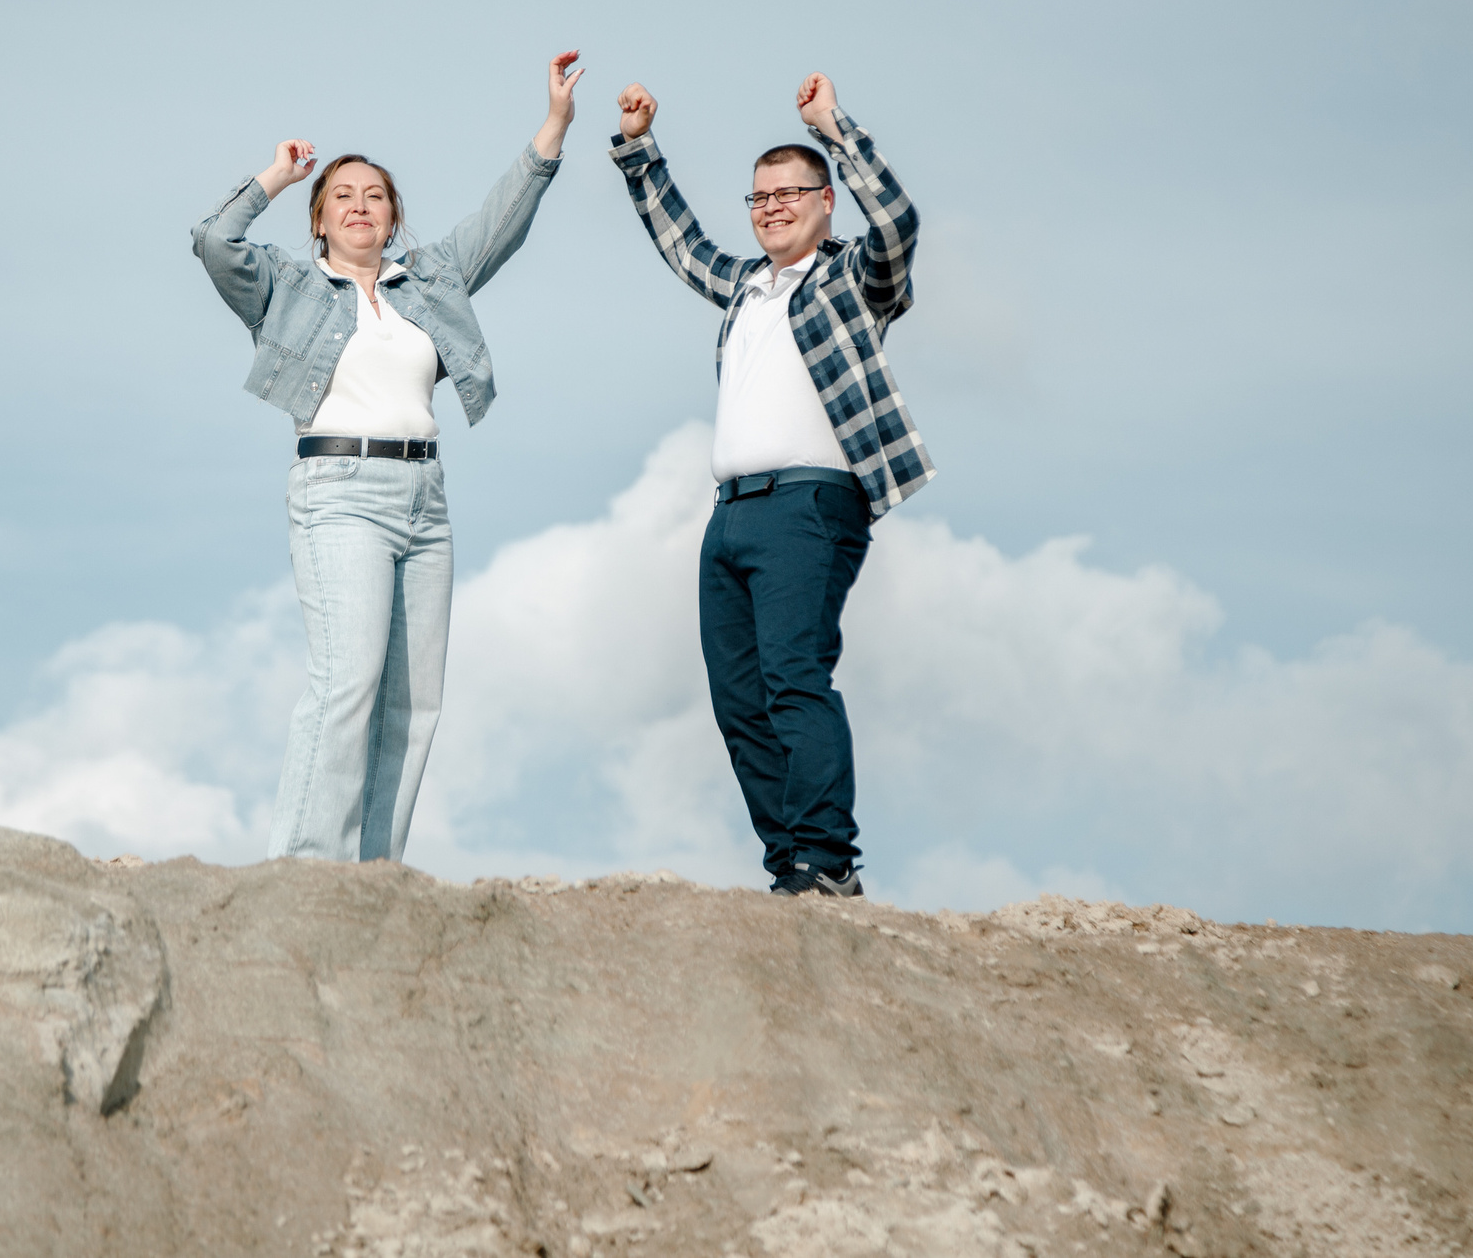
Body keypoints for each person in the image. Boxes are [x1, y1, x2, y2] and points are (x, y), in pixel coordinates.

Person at [192, 53, 584, 862]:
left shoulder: (430, 279)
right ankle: (303, 865)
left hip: (425, 497)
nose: (360, 206)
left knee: (415, 704)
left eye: (375, 195)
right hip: (340, 491)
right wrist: (273, 174)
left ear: (393, 216)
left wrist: (554, 124)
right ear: (320, 222)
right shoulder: (285, 286)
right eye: (343, 196)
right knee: (348, 681)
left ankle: (373, 875)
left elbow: (501, 217)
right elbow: (212, 239)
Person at [609, 71, 930, 898]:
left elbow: (897, 220)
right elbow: (682, 244)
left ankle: (828, 860)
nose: (773, 206)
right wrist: (641, 149)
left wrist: (833, 127)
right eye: (759, 197)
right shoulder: (747, 284)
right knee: (739, 700)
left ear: (826, 201)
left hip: (811, 505)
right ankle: (788, 861)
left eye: (791, 192)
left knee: (794, 677)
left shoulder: (853, 279)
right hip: (731, 514)